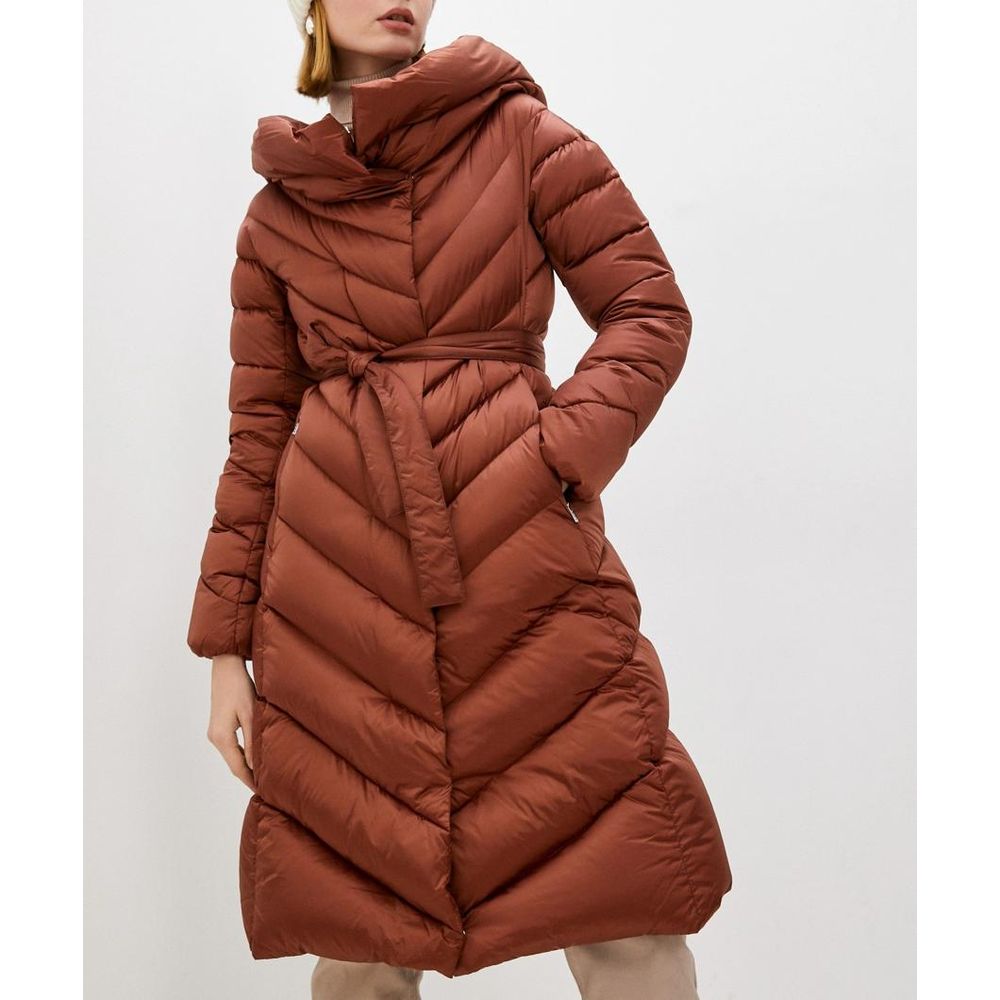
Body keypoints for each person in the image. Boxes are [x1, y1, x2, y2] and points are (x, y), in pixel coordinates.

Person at [188, 2, 732, 997]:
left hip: (525, 576)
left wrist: (550, 458)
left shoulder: (519, 134)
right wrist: (226, 648)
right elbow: (257, 438)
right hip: (338, 602)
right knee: (361, 937)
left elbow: (647, 309)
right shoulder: (276, 216)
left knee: (623, 899)